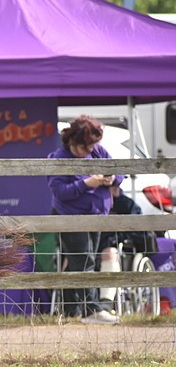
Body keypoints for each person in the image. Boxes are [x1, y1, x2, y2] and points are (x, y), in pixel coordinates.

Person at [46, 115, 123, 324]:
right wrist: (87, 183)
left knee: (82, 261)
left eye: (91, 145)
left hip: (96, 216)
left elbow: (119, 173)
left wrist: (111, 178)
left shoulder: (98, 151)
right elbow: (60, 192)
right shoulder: (59, 158)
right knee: (84, 260)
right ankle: (92, 311)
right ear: (72, 141)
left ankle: (71, 310)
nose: (88, 150)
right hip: (70, 217)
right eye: (84, 146)